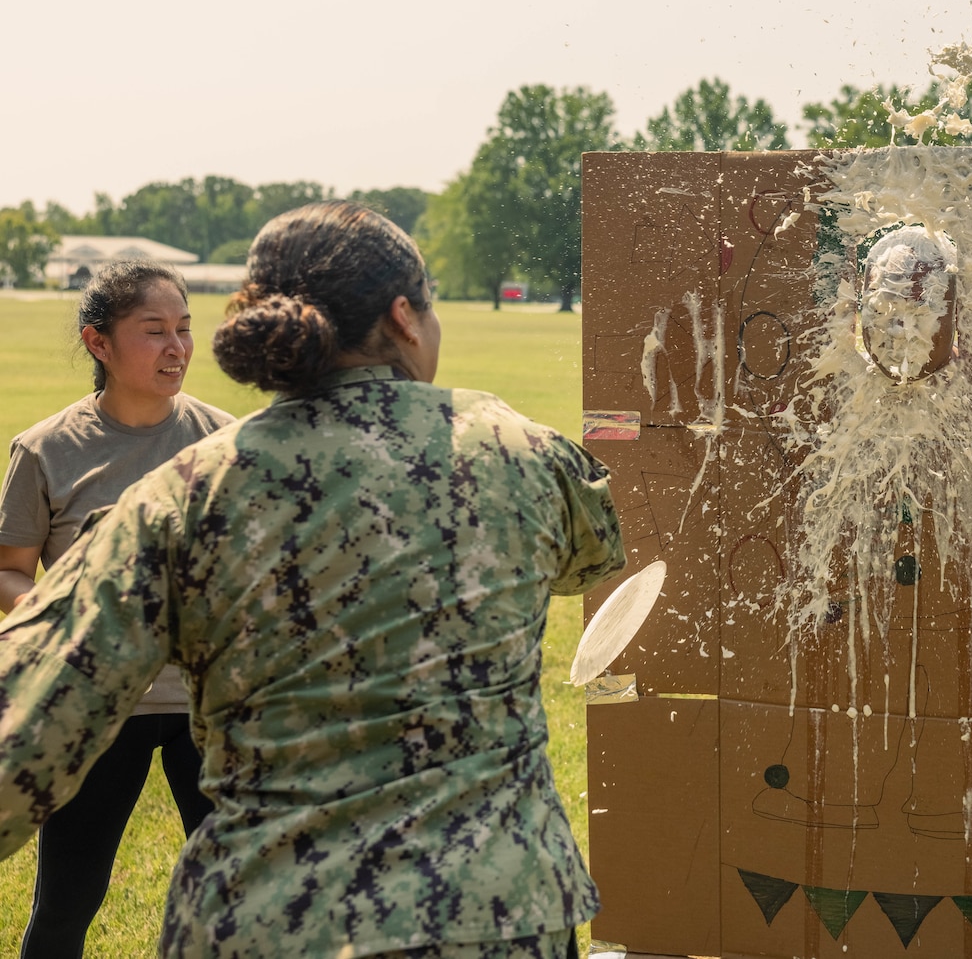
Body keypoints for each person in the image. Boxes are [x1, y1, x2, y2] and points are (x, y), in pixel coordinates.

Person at [0, 201, 626, 958]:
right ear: (404, 317)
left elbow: (23, 736)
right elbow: (595, 557)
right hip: (496, 917)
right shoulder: (523, 454)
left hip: (266, 923)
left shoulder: (183, 494)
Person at [0, 261, 231, 958]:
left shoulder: (226, 442)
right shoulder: (44, 450)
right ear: (98, 342)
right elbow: (9, 573)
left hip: (208, 709)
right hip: (96, 707)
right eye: (154, 330)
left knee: (238, 900)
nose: (177, 347)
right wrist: (89, 614)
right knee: (69, 901)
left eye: (185, 329)